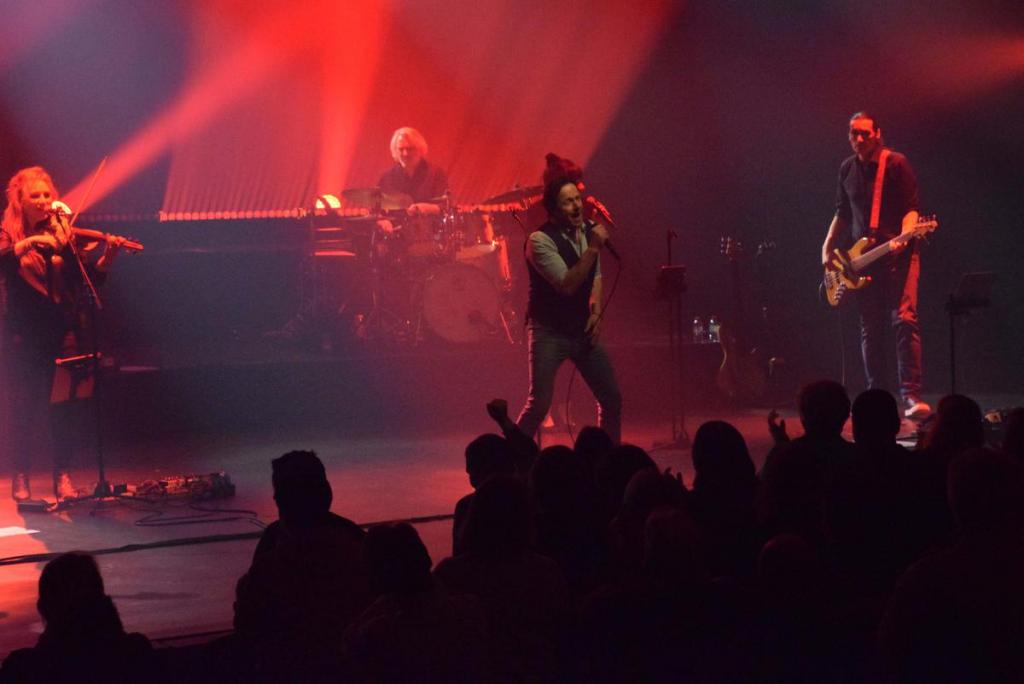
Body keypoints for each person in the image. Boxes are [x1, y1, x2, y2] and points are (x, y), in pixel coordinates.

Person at [1, 166, 123, 501]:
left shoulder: (63, 234)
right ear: (20, 201)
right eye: (35, 196)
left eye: (47, 194)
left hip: (63, 329)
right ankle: (21, 475)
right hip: (23, 333)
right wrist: (30, 242)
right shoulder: (8, 232)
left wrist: (108, 256)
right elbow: (3, 259)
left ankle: (63, 475)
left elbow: (88, 280)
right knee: (24, 404)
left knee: (64, 403)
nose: (43, 201)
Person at [821, 111, 930, 419]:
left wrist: (907, 234)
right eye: (853, 133)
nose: (858, 139)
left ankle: (911, 396)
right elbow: (842, 212)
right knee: (870, 328)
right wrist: (826, 246)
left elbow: (912, 208)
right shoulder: (846, 168)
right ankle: (876, 396)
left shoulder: (896, 163)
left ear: (877, 134)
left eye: (864, 133)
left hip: (899, 255)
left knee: (904, 320)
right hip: (864, 260)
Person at [515, 175, 622, 443]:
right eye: (567, 202)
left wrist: (596, 312)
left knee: (611, 399)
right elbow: (567, 284)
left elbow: (595, 277)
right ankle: (509, 456)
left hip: (580, 328)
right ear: (553, 209)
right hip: (548, 331)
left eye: (577, 199)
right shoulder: (539, 241)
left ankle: (608, 458)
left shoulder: (587, 231)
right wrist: (594, 247)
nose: (576, 207)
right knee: (539, 405)